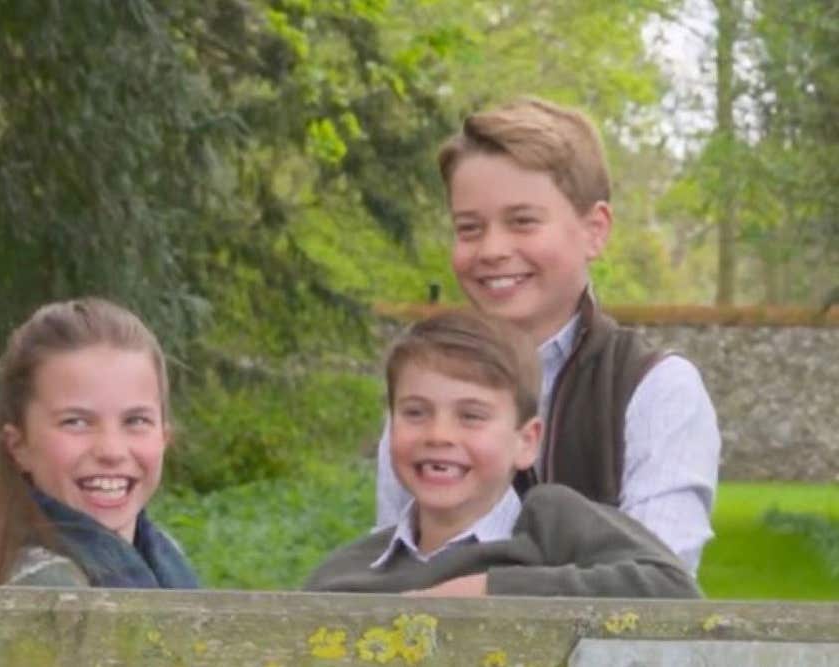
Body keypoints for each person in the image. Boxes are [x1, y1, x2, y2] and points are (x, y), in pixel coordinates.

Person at [375, 98, 721, 576]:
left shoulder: (655, 391)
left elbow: (659, 589)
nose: (492, 250)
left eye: (523, 221)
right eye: (469, 228)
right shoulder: (428, 395)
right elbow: (393, 567)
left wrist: (482, 595)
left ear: (594, 230)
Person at [306, 310, 700, 598]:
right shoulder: (344, 577)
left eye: (471, 416)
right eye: (415, 413)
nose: (439, 434)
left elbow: (672, 588)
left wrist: (490, 589)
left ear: (526, 441)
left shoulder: (549, 524)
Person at [0, 297, 199, 588]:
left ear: (164, 436)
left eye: (136, 421)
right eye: (76, 422)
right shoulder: (49, 587)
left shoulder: (164, 556)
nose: (111, 451)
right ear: (18, 445)